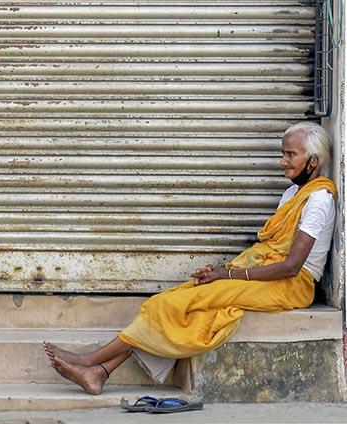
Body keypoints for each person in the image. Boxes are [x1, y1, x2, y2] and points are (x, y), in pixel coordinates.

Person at [43, 121, 337, 395]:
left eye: (290, 154)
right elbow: (269, 250)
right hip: (267, 275)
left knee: (170, 304)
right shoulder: (291, 195)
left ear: (313, 161)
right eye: (282, 153)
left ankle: (90, 361)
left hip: (291, 285)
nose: (282, 161)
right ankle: (100, 372)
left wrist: (228, 275)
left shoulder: (319, 200)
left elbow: (290, 265)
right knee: (182, 299)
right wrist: (222, 271)